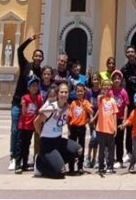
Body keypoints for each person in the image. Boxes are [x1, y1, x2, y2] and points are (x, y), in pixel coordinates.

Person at [34, 83, 82, 178]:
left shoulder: (66, 107)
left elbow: (65, 120)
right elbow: (36, 122)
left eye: (66, 92)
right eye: (61, 92)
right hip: (47, 144)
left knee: (78, 150)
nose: (64, 94)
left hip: (58, 141)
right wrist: (41, 134)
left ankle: (55, 162)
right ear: (57, 94)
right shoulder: (52, 108)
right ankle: (40, 165)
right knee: (60, 173)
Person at [9, 35, 38, 171]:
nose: (38, 58)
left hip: (31, 106)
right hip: (17, 102)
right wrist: (30, 39)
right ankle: (13, 157)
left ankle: (24, 160)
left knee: (27, 135)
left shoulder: (41, 71)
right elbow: (19, 50)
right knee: (15, 130)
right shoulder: (25, 65)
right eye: (36, 55)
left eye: (40, 56)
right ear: (33, 57)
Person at [121, 46, 136, 162]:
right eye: (128, 52)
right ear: (126, 54)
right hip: (130, 102)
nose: (130, 54)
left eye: (132, 52)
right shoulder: (124, 69)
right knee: (129, 127)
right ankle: (129, 152)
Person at [16, 76, 42, 174]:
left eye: (36, 86)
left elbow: (39, 110)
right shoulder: (25, 98)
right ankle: (18, 164)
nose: (34, 88)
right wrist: (23, 105)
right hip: (23, 125)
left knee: (27, 144)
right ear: (28, 87)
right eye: (32, 85)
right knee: (20, 145)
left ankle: (25, 164)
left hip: (31, 126)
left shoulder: (39, 98)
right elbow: (23, 113)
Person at [67, 82, 93, 174]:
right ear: (75, 92)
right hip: (73, 127)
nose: (79, 93)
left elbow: (91, 112)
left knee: (81, 147)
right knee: (71, 148)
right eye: (78, 91)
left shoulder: (86, 102)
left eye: (81, 91)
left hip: (82, 128)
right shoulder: (73, 103)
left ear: (84, 92)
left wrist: (85, 106)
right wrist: (69, 129)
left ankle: (80, 166)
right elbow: (68, 117)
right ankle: (71, 167)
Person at [94, 78, 118, 175]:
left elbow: (115, 114)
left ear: (111, 87)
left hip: (110, 128)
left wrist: (115, 127)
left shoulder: (113, 100)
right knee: (102, 149)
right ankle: (101, 166)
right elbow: (99, 98)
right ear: (102, 86)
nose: (106, 87)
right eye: (105, 85)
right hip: (101, 128)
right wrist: (103, 93)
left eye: (108, 85)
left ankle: (110, 166)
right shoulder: (100, 98)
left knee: (111, 149)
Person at [110, 69, 129, 167]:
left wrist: (125, 120)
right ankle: (110, 159)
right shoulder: (110, 91)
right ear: (112, 80)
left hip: (120, 118)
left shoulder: (123, 92)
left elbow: (126, 106)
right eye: (115, 78)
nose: (117, 80)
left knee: (119, 140)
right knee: (111, 140)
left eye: (118, 78)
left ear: (121, 80)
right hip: (111, 119)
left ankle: (119, 160)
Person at [86, 72, 101, 168]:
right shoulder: (89, 92)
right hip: (91, 118)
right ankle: (88, 158)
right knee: (93, 138)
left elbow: (101, 107)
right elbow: (87, 105)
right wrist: (91, 118)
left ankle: (94, 159)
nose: (95, 81)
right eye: (94, 79)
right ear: (91, 81)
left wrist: (95, 118)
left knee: (96, 139)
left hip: (99, 118)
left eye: (97, 79)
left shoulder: (101, 92)